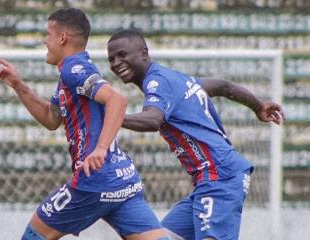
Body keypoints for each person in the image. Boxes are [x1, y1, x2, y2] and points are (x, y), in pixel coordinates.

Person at [0, 9, 170, 240]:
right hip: (122, 180)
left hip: (93, 180)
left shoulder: (73, 69)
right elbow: (51, 118)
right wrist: (18, 85)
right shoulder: (72, 72)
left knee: (33, 236)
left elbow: (117, 100)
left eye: (48, 34)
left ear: (62, 38)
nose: (45, 41)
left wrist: (100, 148)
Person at [106, 29, 284, 240]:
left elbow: (153, 120)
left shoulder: (158, 82)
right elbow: (223, 86)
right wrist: (258, 106)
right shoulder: (173, 78)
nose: (116, 63)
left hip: (221, 176)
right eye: (111, 59)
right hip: (208, 181)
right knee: (156, 237)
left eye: (122, 55)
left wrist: (112, 117)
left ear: (144, 52)